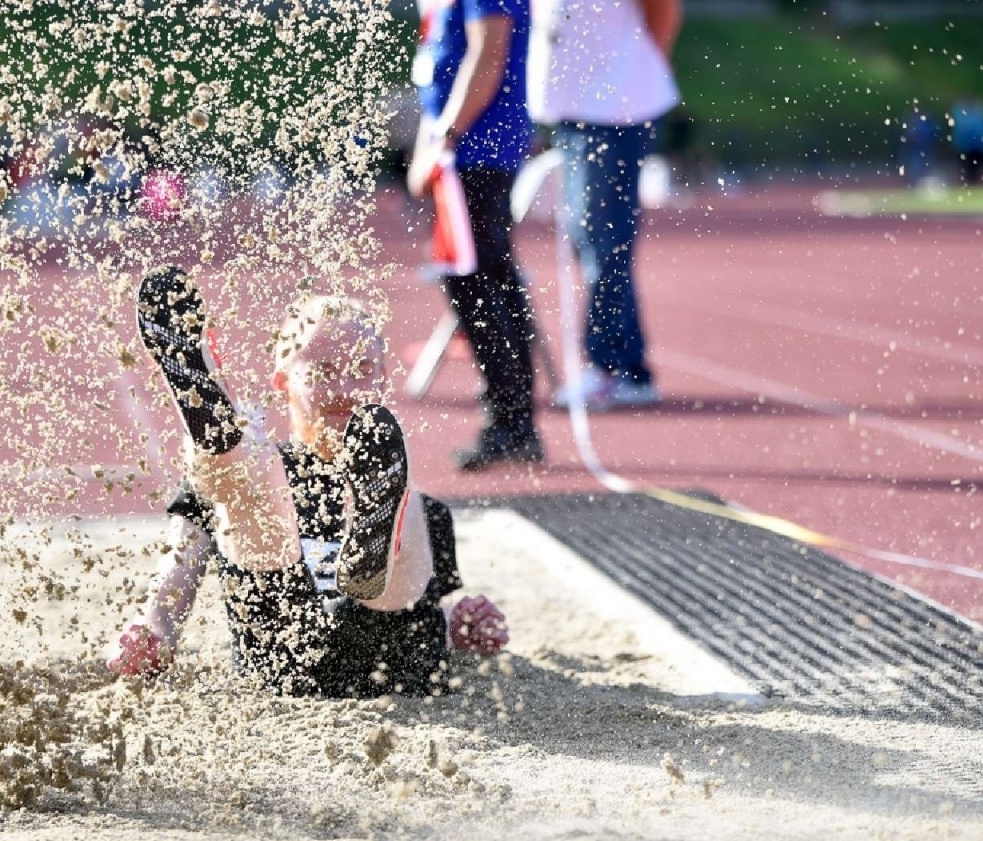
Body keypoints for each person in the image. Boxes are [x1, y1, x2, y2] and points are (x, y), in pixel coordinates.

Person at [108, 267, 510, 696]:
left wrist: (462, 625)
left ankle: (374, 524)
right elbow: (172, 586)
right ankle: (218, 436)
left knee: (408, 510)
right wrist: (150, 633)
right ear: (282, 382)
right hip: (287, 649)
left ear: (382, 379)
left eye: (361, 369)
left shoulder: (426, 511)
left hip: (395, 659)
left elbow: (435, 610)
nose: (343, 387)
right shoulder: (236, 488)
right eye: (321, 371)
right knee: (251, 484)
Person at [407, 0, 543, 470]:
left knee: (476, 281)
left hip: (475, 150)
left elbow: (487, 54)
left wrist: (442, 139)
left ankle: (510, 418)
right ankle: (514, 418)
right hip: (466, 147)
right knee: (488, 278)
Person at [528, 0, 682, 411]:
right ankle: (629, 367)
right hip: (575, 112)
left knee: (603, 240)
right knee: (589, 238)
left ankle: (609, 367)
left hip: (615, 112)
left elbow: (663, 9)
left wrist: (638, 68)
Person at [950, 97, 983, 186]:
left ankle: (974, 181)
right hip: (967, 145)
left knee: (974, 166)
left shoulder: (970, 114)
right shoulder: (977, 114)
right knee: (968, 166)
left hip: (975, 145)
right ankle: (969, 181)